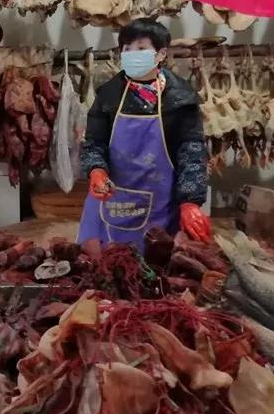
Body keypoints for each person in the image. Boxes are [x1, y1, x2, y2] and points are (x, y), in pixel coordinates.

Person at [78, 18, 211, 252]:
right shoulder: (108, 95)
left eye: (140, 48)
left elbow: (192, 153)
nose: (131, 54)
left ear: (161, 54)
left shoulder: (181, 99)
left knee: (156, 264)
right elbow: (93, 143)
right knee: (102, 265)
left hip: (161, 206)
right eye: (126, 48)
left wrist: (190, 201)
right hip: (111, 202)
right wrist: (96, 170)